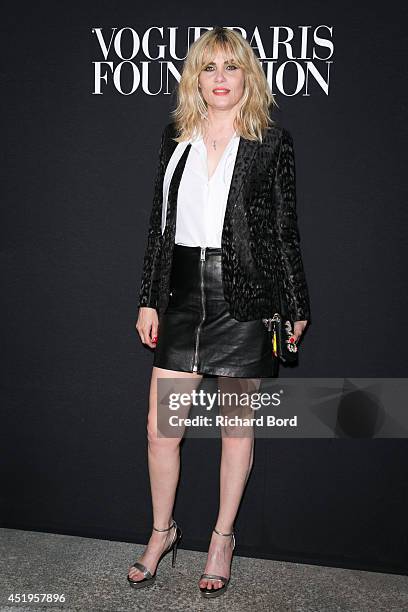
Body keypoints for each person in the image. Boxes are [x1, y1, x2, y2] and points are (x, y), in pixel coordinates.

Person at [127, 26, 311, 598]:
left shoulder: (270, 142)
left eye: (232, 67)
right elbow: (160, 229)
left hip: (246, 302)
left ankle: (222, 537)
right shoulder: (175, 136)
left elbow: (284, 233)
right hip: (182, 294)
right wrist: (148, 296)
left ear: (247, 77)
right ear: (196, 78)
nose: (221, 79)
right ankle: (163, 532)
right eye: (210, 67)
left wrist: (296, 304)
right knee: (163, 430)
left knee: (236, 430)